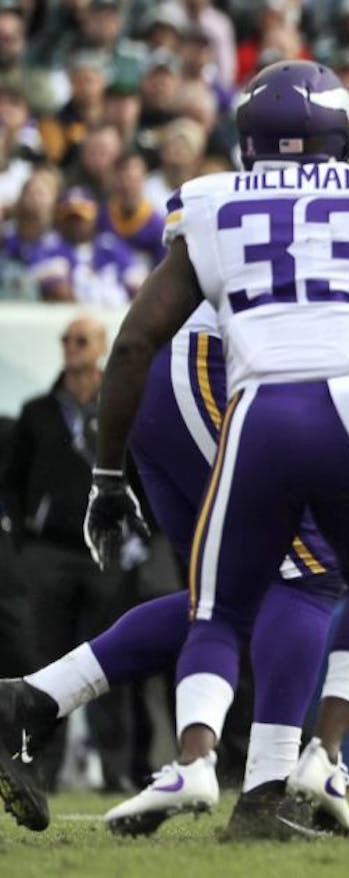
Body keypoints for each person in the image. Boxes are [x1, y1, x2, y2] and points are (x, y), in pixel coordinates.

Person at [1, 38, 349, 837]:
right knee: (303, 574)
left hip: (209, 366)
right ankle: (275, 786)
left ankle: (34, 701)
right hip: (218, 360)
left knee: (242, 588)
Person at [0, 314, 140, 795]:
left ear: (100, 347)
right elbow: (13, 483)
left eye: (80, 340)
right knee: (44, 664)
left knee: (112, 661)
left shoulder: (120, 408)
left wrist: (138, 536)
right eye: (66, 339)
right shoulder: (38, 411)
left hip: (105, 553)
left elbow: (140, 471)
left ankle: (117, 768)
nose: (70, 347)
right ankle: (41, 767)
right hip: (49, 553)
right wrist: (23, 540)